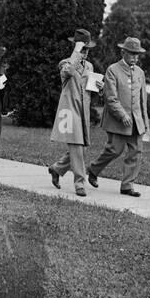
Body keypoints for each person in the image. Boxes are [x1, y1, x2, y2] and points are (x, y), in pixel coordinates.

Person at [87, 37, 149, 197]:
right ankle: (93, 169)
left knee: (136, 151)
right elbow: (110, 97)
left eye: (137, 54)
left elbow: (143, 101)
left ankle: (127, 185)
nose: (135, 57)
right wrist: (122, 114)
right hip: (117, 119)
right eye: (132, 53)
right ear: (123, 52)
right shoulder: (113, 70)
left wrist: (145, 123)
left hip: (136, 120)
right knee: (115, 149)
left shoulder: (140, 72)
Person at [47, 29, 96, 196]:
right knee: (77, 147)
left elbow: (89, 88)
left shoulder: (89, 66)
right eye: (83, 49)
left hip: (83, 112)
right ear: (76, 48)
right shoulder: (65, 63)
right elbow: (68, 72)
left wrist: (100, 88)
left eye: (87, 49)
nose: (86, 53)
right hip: (69, 111)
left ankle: (57, 168)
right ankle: (79, 183)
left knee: (80, 148)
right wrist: (77, 51)